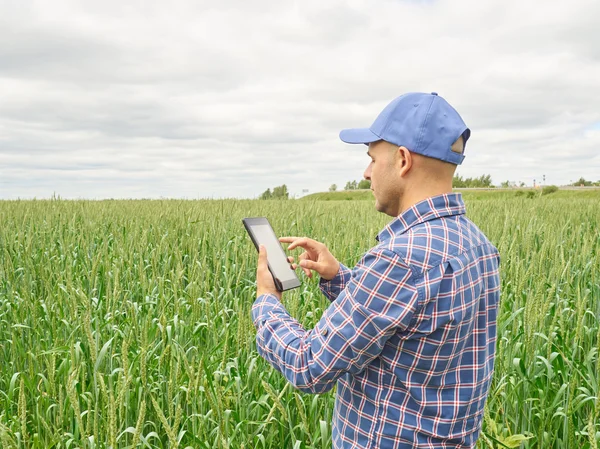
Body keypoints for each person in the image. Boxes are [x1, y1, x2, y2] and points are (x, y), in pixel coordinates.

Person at [252, 92, 501, 448]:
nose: (366, 172)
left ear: (402, 160)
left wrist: (267, 302)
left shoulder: (399, 259)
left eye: (371, 158)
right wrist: (338, 277)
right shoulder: (478, 245)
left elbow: (310, 367)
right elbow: (413, 318)